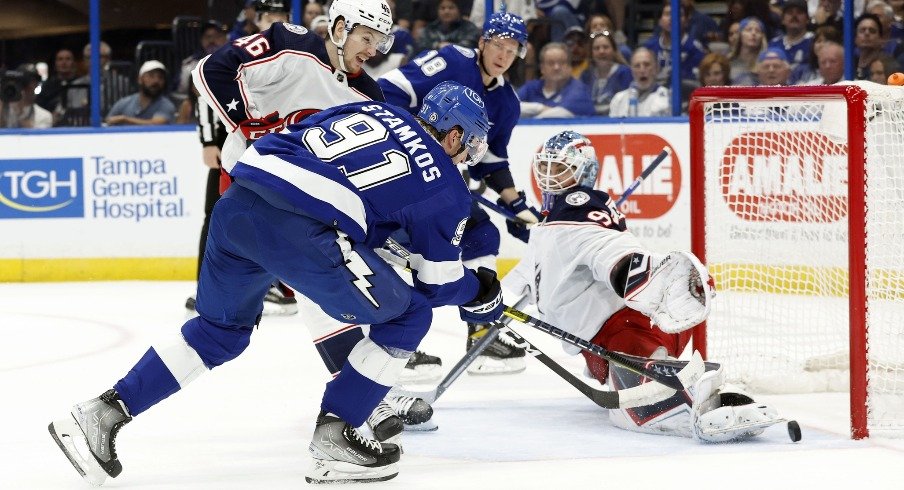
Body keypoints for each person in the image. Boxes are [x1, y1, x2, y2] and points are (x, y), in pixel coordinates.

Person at [48, 81, 500, 486]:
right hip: (301, 232)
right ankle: (336, 437)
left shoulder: (367, 110)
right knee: (409, 315)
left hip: (238, 205)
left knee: (219, 332)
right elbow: (437, 286)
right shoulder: (445, 186)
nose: (469, 156)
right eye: (471, 143)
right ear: (454, 133)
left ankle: (99, 414)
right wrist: (479, 292)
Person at [503, 130, 786, 443]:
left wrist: (648, 277)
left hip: (631, 327)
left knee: (638, 355)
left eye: (559, 168)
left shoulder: (578, 205)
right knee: (621, 360)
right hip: (601, 349)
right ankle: (679, 379)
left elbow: (608, 250)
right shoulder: (550, 227)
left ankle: (687, 395)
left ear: (583, 170)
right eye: (545, 167)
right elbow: (521, 282)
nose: (549, 176)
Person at [191, 0, 395, 316]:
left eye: (380, 41)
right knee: (223, 324)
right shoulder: (291, 43)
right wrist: (249, 122)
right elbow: (210, 69)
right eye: (367, 38)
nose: (374, 51)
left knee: (326, 289)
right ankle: (381, 354)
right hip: (248, 193)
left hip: (304, 208)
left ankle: (377, 355)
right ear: (341, 29)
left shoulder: (371, 97)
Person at [378, 11, 539, 376]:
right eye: (497, 44)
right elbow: (390, 89)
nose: (503, 54)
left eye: (512, 49)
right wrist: (416, 143)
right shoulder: (450, 60)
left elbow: (490, 161)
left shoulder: (508, 103)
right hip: (400, 169)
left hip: (436, 181)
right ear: (482, 41)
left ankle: (482, 332)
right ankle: (393, 342)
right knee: (405, 249)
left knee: (481, 233)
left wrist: (515, 203)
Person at [518, 42, 594, 118]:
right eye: (551, 63)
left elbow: (562, 113)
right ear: (542, 68)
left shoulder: (579, 90)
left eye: (562, 63)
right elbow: (510, 107)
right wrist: (539, 108)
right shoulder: (530, 88)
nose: (556, 67)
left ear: (570, 67)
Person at [105, 60, 176, 126]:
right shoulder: (125, 102)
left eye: (160, 77)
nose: (156, 81)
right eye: (151, 76)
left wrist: (125, 119)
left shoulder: (166, 105)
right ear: (140, 79)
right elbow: (108, 122)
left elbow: (156, 125)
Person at [579, 30, 632, 115]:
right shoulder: (586, 75)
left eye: (606, 47)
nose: (601, 51)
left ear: (614, 50)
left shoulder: (624, 73)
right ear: (591, 53)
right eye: (597, 48)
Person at [609, 47, 671, 117]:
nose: (642, 70)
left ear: (656, 68)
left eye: (647, 65)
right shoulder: (618, 99)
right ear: (631, 71)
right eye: (637, 66)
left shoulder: (667, 97)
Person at [414, 0, 481, 55]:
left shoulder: (469, 28)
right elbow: (421, 47)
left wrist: (447, 47)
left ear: (458, 10)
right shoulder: (430, 28)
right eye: (442, 8)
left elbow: (468, 47)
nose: (446, 11)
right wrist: (438, 45)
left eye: (451, 8)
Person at [0, 64, 53, 128]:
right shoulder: (3, 109)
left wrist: (20, 117)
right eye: (23, 83)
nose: (26, 87)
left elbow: (37, 136)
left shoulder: (44, 116)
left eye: (33, 82)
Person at [767, 0, 814, 71]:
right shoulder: (774, 44)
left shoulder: (814, 41)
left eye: (799, 12)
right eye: (789, 13)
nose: (794, 16)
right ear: (782, 20)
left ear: (807, 19)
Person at [34, 48, 78, 115]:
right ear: (55, 63)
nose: (64, 62)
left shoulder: (80, 83)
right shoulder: (47, 86)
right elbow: (38, 107)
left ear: (74, 62)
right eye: (60, 59)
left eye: (68, 59)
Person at [729, 17, 768, 85]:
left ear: (762, 37)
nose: (753, 33)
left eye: (758, 31)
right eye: (748, 30)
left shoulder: (767, 65)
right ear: (740, 35)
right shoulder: (728, 62)